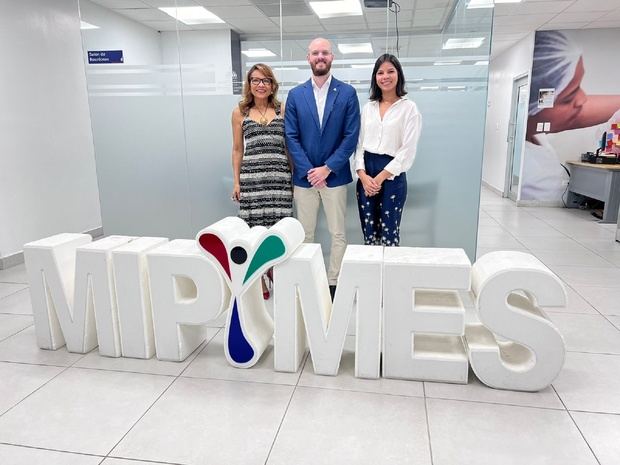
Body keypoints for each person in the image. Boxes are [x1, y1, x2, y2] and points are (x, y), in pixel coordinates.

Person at [284, 37, 360, 296]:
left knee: (338, 233)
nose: (320, 57)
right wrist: (310, 171)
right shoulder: (295, 95)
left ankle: (333, 283)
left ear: (332, 57)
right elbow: (291, 137)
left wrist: (327, 169)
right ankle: (307, 279)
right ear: (308, 58)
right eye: (315, 53)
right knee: (304, 234)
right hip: (305, 180)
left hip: (334, 178)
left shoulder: (347, 93)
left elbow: (351, 136)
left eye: (325, 53)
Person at [522, 31, 620, 202]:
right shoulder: (532, 176)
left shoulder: (533, 131)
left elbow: (581, 112)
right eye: (570, 96)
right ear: (537, 104)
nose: (582, 99)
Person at [231, 63, 292, 299]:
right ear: (249, 84)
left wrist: (293, 178)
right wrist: (237, 183)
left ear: (272, 85)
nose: (260, 85)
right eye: (255, 80)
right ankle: (260, 278)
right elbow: (237, 150)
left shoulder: (282, 109)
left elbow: (289, 147)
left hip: (279, 180)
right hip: (252, 182)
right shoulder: (239, 112)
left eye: (265, 80)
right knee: (254, 233)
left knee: (277, 232)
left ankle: (275, 272)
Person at [354, 54, 422, 246]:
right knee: (369, 233)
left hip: (392, 175)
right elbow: (359, 145)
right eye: (380, 72)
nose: (385, 76)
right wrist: (363, 175)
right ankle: (372, 274)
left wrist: (380, 178)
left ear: (398, 74)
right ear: (375, 77)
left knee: (389, 233)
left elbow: (407, 150)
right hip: (366, 176)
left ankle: (389, 275)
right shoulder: (369, 108)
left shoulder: (409, 109)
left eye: (390, 71)